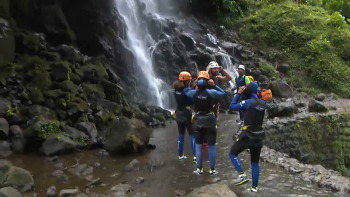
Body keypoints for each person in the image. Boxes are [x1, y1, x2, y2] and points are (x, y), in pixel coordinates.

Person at [228, 82, 266, 193]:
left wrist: (238, 94)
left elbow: (232, 106)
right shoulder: (263, 103)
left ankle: (242, 175)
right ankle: (254, 188)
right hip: (259, 135)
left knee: (232, 153)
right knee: (255, 162)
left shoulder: (248, 102)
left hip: (247, 134)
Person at [186, 71, 226, 175]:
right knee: (211, 146)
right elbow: (223, 93)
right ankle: (212, 170)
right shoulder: (211, 92)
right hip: (210, 119)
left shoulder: (193, 93)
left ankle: (199, 169)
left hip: (198, 120)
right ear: (207, 83)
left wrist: (192, 86)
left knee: (198, 146)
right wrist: (215, 86)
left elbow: (186, 93)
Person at [173, 71, 196, 163]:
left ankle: (180, 155)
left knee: (181, 134)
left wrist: (192, 87)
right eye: (189, 80)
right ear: (187, 81)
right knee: (191, 134)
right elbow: (191, 99)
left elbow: (187, 92)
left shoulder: (176, 89)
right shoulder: (186, 91)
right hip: (187, 113)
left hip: (179, 112)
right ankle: (195, 156)